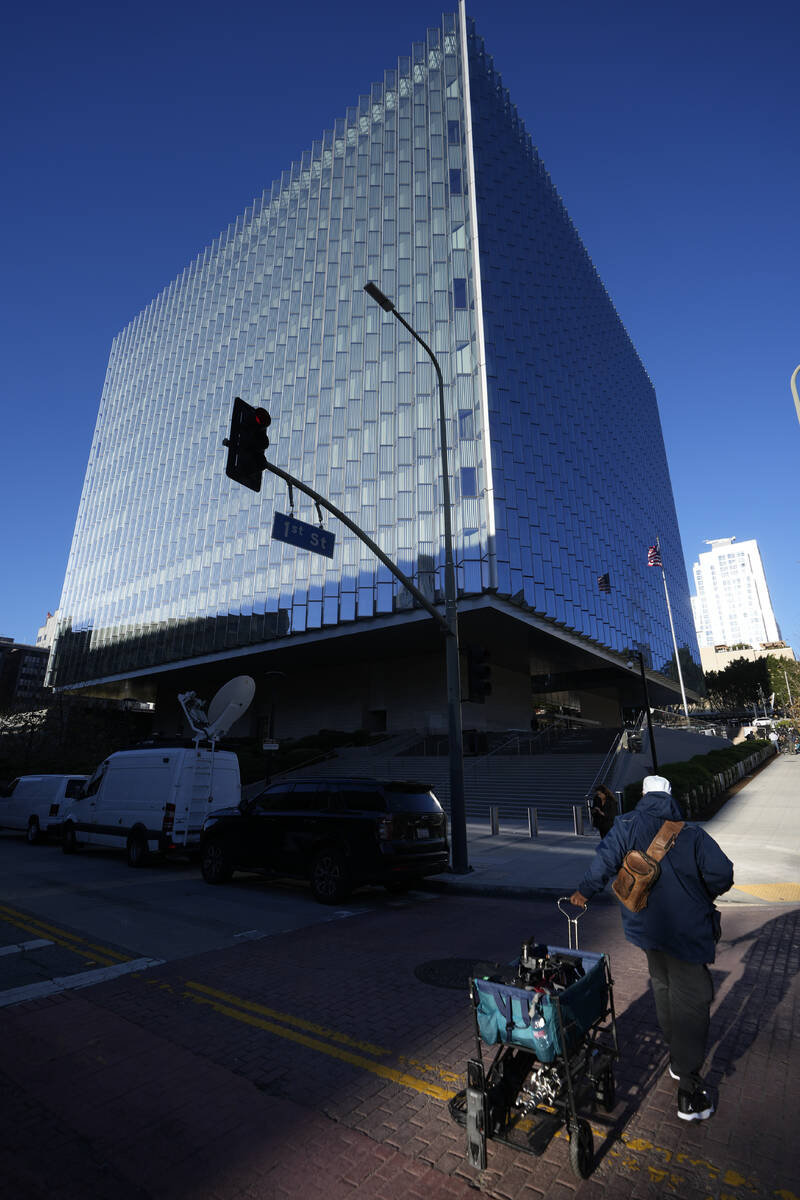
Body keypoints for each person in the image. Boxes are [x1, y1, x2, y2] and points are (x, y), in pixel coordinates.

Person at [570, 774, 733, 1123]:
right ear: (670, 797)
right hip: (687, 934)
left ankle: (678, 1056)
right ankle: (689, 1090)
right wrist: (702, 893)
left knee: (662, 985)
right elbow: (723, 873)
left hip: (647, 930)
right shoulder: (689, 833)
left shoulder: (625, 824)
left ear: (643, 796)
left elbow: (603, 861)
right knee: (694, 999)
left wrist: (584, 891)